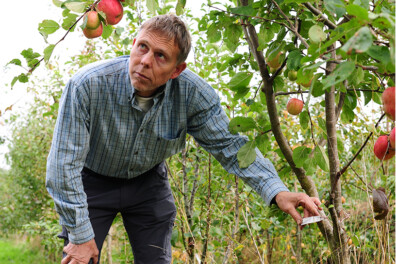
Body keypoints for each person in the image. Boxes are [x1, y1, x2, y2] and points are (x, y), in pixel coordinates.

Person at [46, 14, 322, 264]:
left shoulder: (193, 95)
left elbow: (230, 145)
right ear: (133, 44)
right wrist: (80, 236)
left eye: (160, 56)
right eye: (142, 47)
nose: (144, 61)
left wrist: (276, 191)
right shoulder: (87, 85)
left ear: (177, 70)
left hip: (147, 184)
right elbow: (63, 166)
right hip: (92, 182)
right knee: (80, 258)